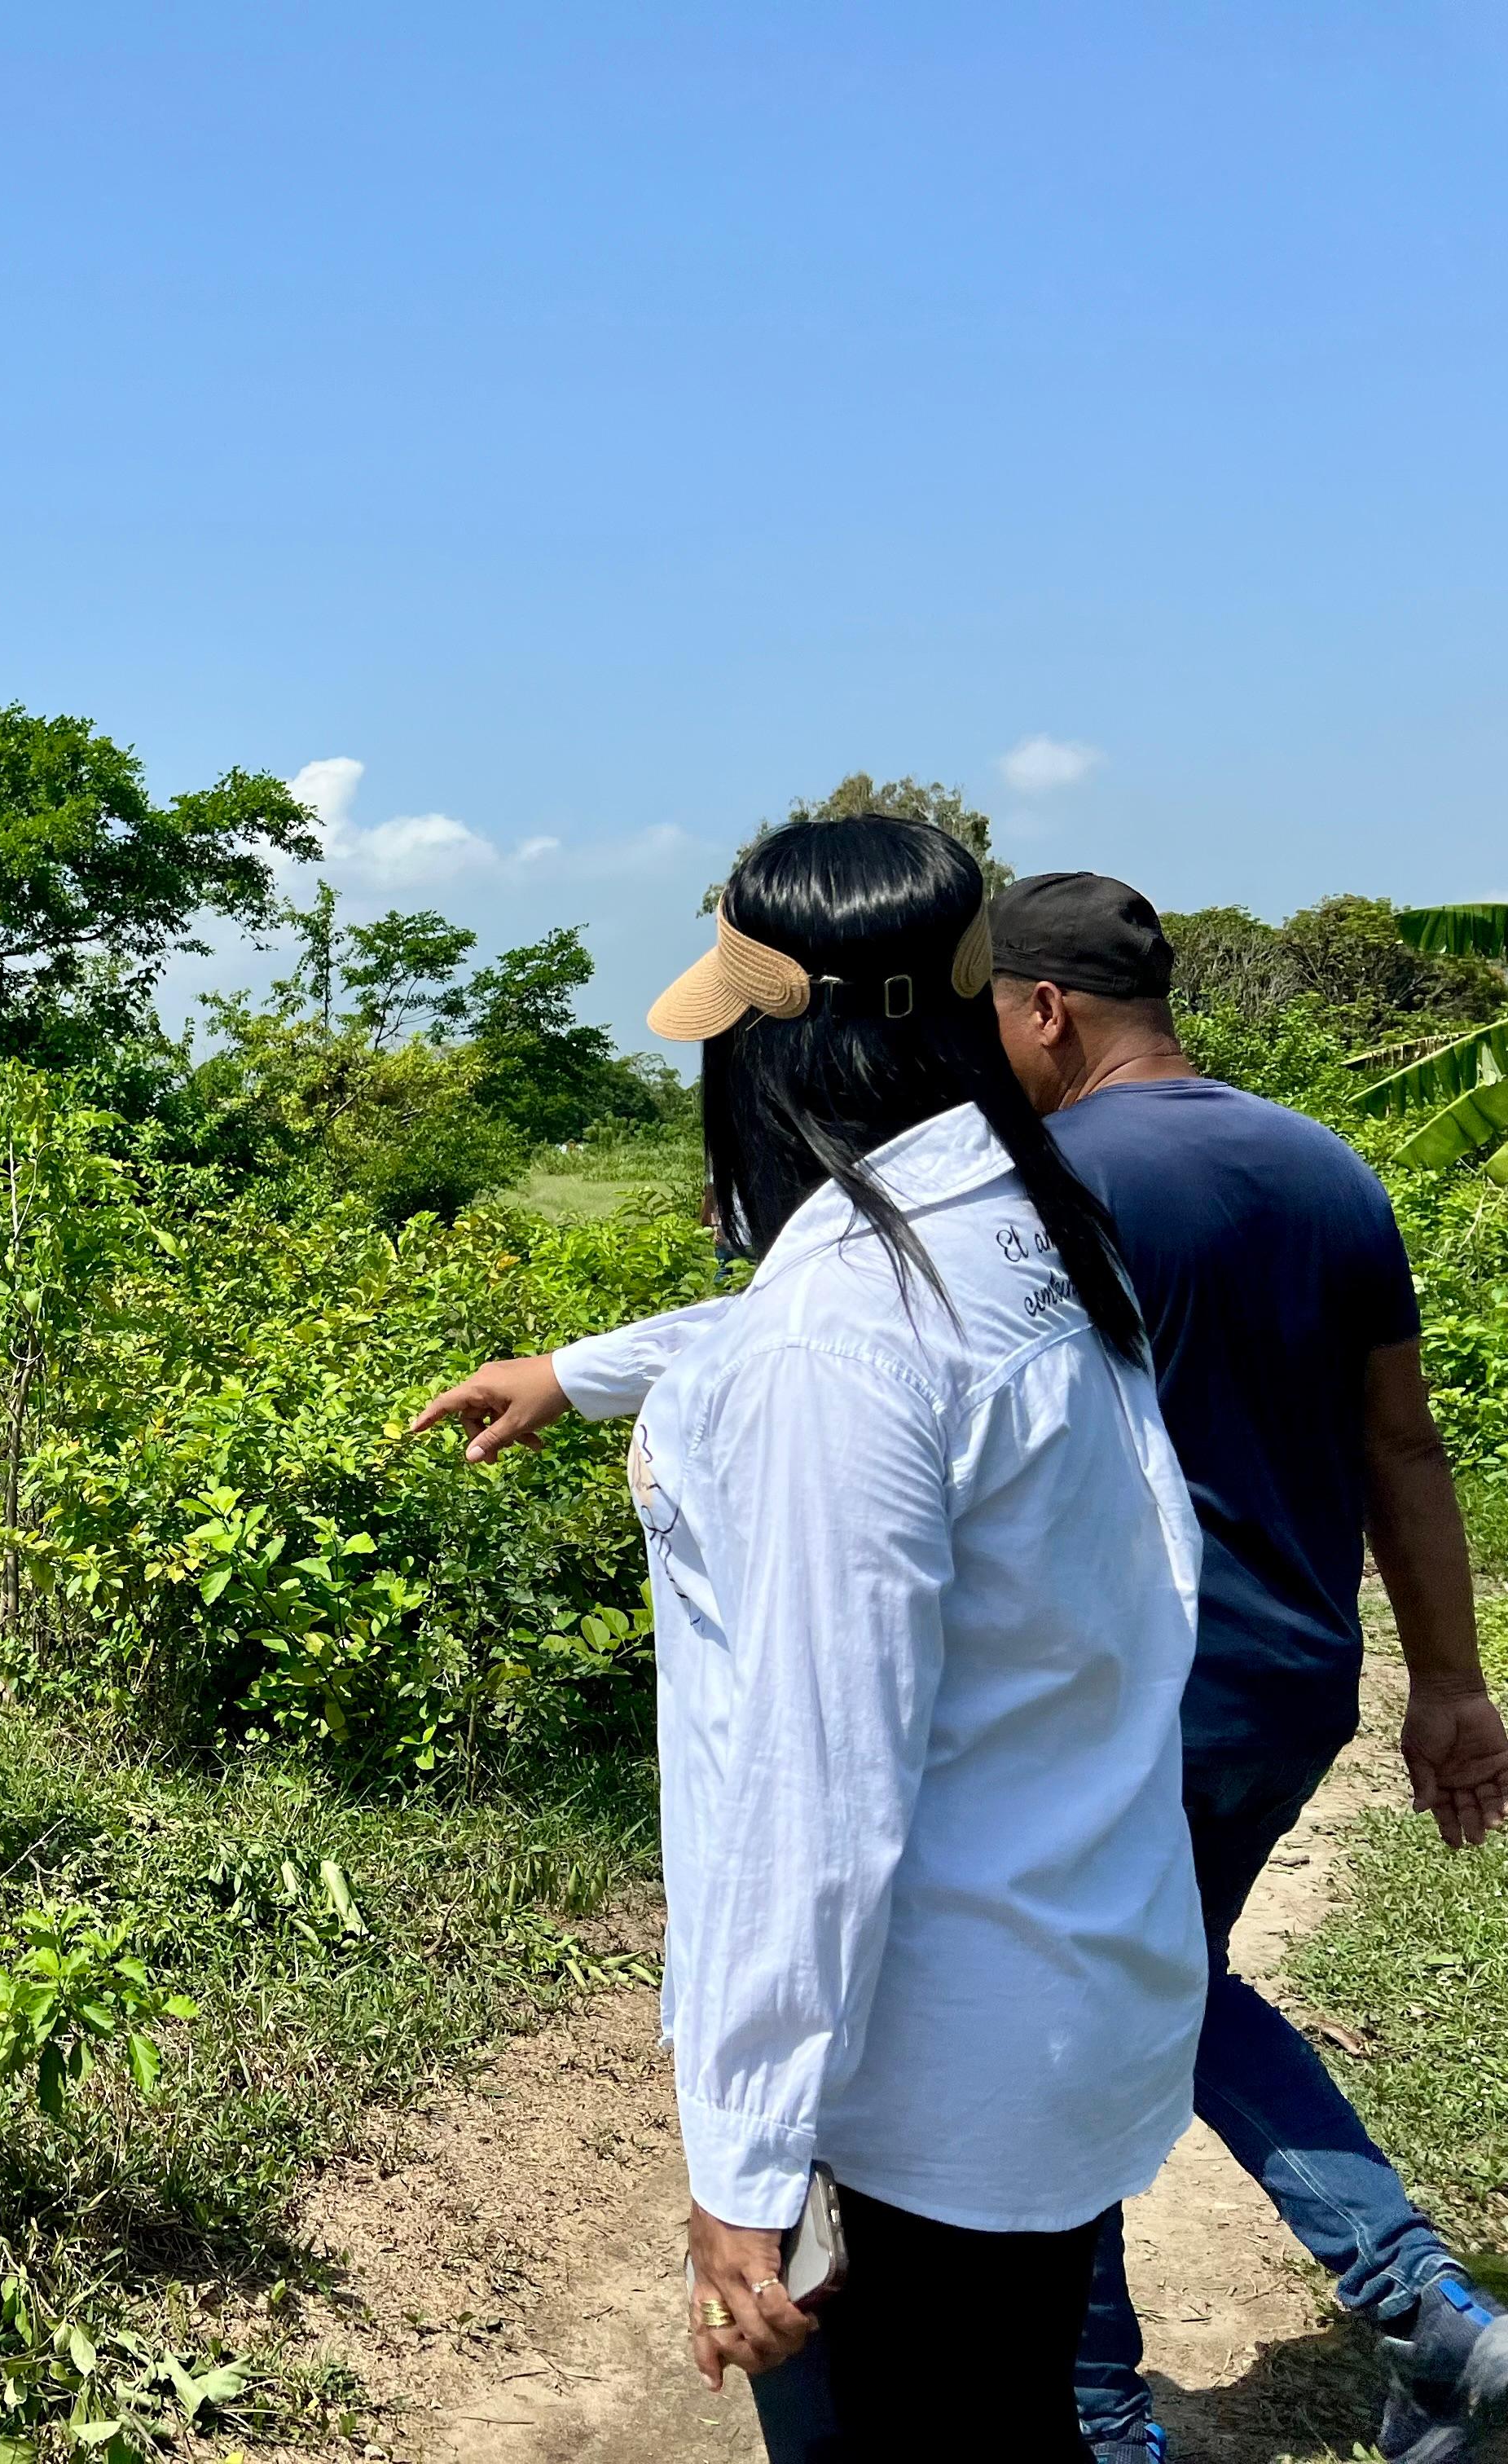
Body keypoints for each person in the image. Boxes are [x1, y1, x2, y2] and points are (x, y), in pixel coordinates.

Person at [422, 866, 1508, 2464]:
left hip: (1079, 1706)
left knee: (1035, 2051)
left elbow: (828, 1748)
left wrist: (745, 2147)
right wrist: (1452, 1685)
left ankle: (1124, 2401)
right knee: (1154, 1995)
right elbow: (1403, 1441)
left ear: (1041, 1012)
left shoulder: (1022, 1202)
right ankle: (1406, 2308)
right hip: (1276, 1683)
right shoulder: (1301, 1169)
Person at [448, 816, 1211, 2456]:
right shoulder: (1034, 1232)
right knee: (1009, 2416)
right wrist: (589, 1369)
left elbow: (814, 1788)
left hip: (932, 2065)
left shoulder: (845, 1336)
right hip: (1073, 1993)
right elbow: (829, 1325)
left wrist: (741, 2162)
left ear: (785, 1055)